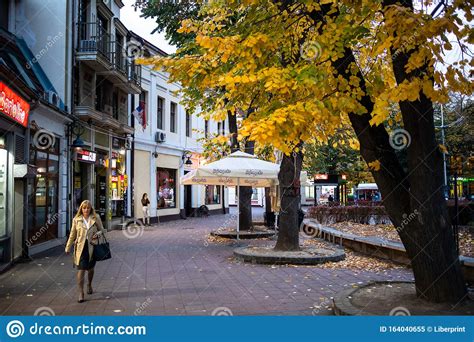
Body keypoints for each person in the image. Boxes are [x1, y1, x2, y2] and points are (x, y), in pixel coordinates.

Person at [65, 200, 104, 303]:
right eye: (84, 208)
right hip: (80, 248)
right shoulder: (76, 220)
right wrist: (68, 247)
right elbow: (72, 234)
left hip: (92, 247)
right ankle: (81, 292)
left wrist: (98, 234)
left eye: (88, 208)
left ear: (91, 209)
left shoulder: (96, 218)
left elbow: (102, 230)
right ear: (81, 209)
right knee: (81, 269)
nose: (86, 209)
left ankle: (89, 284)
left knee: (90, 268)